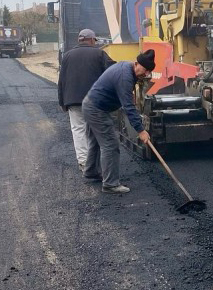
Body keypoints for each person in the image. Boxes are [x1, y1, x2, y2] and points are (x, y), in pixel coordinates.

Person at [82, 49, 156, 194]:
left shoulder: (126, 68)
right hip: (97, 109)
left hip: (91, 105)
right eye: (145, 70)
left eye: (148, 72)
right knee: (110, 144)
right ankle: (110, 184)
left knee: (96, 142)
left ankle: (91, 171)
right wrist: (141, 130)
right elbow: (128, 106)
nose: (146, 74)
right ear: (137, 64)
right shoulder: (125, 76)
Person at [57, 29, 114, 171]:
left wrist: (62, 102)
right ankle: (97, 163)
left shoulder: (67, 56)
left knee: (78, 130)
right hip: (94, 101)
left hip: (72, 100)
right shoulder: (99, 54)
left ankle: (83, 162)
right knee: (96, 131)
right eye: (95, 40)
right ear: (92, 40)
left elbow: (61, 81)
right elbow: (112, 71)